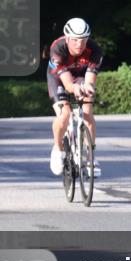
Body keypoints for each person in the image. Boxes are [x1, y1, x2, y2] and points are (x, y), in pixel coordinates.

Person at [47, 18, 103, 177]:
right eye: (75, 40)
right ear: (67, 38)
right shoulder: (57, 49)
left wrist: (88, 87)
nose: (80, 44)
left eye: (84, 40)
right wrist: (75, 88)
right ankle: (58, 148)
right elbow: (68, 84)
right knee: (65, 114)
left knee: (87, 113)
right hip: (59, 78)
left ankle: (91, 157)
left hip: (81, 77)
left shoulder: (95, 50)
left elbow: (90, 79)